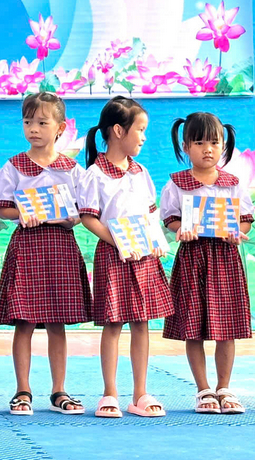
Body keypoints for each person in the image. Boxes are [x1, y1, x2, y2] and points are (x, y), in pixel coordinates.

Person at [0, 93, 92, 416]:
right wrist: (22, 211)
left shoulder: (72, 169)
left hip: (61, 247)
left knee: (56, 322)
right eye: (28, 122)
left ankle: (59, 390)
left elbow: (80, 212)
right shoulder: (14, 166)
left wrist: (68, 218)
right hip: (27, 246)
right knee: (24, 321)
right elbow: (3, 208)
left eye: (42, 123)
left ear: (60, 128)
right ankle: (23, 390)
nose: (33, 129)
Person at [79, 96, 173, 419]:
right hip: (113, 256)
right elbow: (89, 218)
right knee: (113, 323)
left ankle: (140, 393)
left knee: (141, 321)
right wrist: (118, 242)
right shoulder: (94, 174)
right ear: (118, 131)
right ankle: (110, 393)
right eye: (140, 130)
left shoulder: (141, 172)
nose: (144, 137)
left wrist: (156, 240)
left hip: (143, 255)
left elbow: (150, 212)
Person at [160, 112, 254, 414]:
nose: (207, 149)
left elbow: (245, 220)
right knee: (194, 326)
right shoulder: (177, 183)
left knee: (227, 327)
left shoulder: (233, 184)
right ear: (186, 146)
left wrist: (237, 232)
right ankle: (203, 390)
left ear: (223, 145)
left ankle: (224, 387)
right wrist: (181, 229)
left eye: (214, 142)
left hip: (225, 258)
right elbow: (170, 219)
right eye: (199, 142)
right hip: (192, 257)